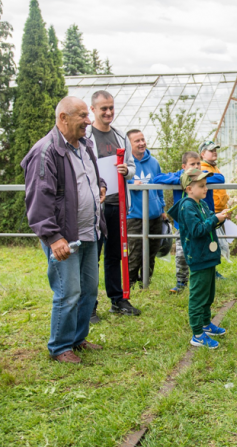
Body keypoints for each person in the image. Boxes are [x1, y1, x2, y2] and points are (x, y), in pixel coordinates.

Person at [21, 96, 107, 364]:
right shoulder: (45, 152)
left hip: (89, 230)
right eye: (82, 115)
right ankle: (59, 347)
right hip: (65, 236)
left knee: (89, 290)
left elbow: (89, 175)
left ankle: (77, 339)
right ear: (63, 118)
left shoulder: (84, 145)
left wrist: (100, 184)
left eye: (87, 116)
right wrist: (53, 237)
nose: (88, 121)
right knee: (67, 292)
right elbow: (39, 199)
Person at [86, 90, 137, 320]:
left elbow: (131, 166)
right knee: (92, 256)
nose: (108, 112)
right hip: (96, 207)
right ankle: (89, 305)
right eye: (103, 108)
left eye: (111, 108)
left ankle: (118, 300)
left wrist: (127, 171)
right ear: (93, 109)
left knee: (116, 254)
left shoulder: (120, 136)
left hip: (118, 205)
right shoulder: (86, 136)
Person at [167, 168, 230, 349]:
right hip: (198, 257)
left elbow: (210, 220)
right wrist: (214, 220)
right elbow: (197, 230)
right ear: (188, 189)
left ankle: (205, 324)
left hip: (208, 256)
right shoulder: (187, 206)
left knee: (208, 294)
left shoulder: (201, 204)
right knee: (198, 296)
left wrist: (221, 217)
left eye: (206, 186)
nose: (206, 189)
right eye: (201, 186)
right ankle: (197, 334)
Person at [152, 151, 224, 293]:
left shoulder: (203, 175)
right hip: (183, 225)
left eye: (198, 163)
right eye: (192, 164)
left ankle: (210, 273)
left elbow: (220, 178)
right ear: (184, 166)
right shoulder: (180, 176)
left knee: (206, 247)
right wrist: (182, 179)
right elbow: (157, 179)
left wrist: (200, 180)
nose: (196, 166)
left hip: (203, 220)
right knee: (181, 253)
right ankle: (181, 281)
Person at [126, 129, 165, 287]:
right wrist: (130, 184)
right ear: (129, 145)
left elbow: (160, 186)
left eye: (143, 139)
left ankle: (146, 282)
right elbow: (117, 185)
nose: (142, 143)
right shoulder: (126, 165)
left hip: (154, 215)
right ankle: (130, 283)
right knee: (136, 252)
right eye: (137, 141)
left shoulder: (153, 162)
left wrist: (162, 208)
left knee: (152, 251)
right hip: (135, 216)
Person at [199, 140, 229, 278]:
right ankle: (210, 271)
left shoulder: (214, 168)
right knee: (209, 242)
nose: (214, 152)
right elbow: (219, 179)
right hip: (211, 210)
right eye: (211, 150)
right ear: (203, 154)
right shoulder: (202, 168)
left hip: (219, 210)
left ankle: (213, 270)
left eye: (215, 150)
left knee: (214, 242)